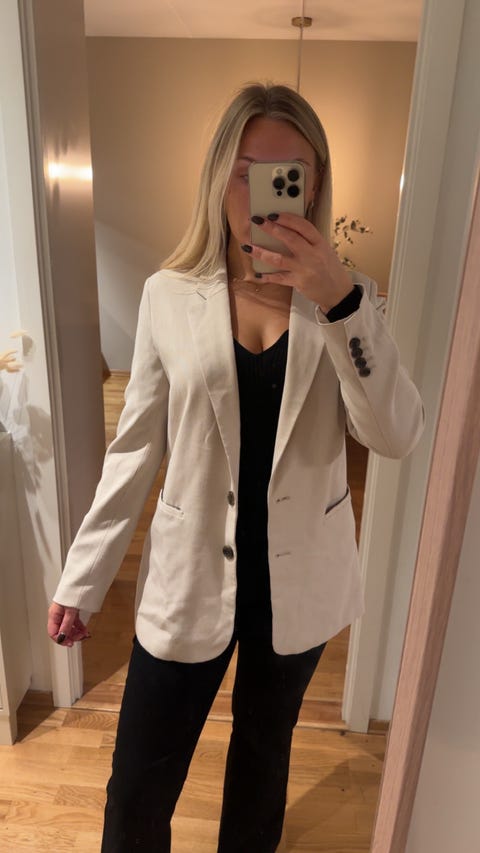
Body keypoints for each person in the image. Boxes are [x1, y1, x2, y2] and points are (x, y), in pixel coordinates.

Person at [47, 82, 425, 852]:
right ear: (219, 177)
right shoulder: (167, 295)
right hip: (187, 576)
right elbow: (134, 450)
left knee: (261, 767)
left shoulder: (350, 301)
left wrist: (339, 300)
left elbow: (393, 434)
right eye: (247, 171)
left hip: (299, 583)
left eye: (289, 173)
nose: (265, 192)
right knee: (137, 787)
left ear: (313, 184)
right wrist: (83, 576)